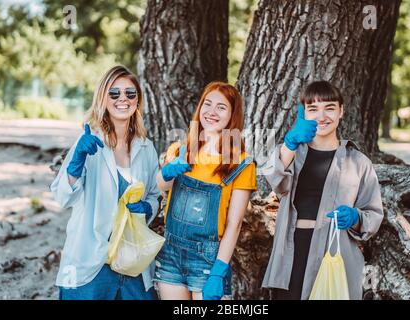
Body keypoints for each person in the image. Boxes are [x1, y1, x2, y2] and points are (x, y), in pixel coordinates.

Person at [262, 80, 383, 300]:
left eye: (329, 108)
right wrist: (289, 144)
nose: (321, 116)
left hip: (335, 254)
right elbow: (275, 182)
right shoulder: (293, 153)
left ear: (341, 111)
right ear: (304, 114)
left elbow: (373, 216)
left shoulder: (358, 161)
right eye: (313, 109)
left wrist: (356, 217)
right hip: (291, 252)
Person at [51, 65, 161, 300]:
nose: (123, 99)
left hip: (132, 261)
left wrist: (149, 207)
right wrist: (76, 162)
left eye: (130, 93)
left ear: (137, 100)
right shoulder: (89, 141)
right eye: (114, 93)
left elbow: (154, 195)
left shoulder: (146, 147)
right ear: (103, 98)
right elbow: (63, 197)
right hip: (91, 261)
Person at [154, 81, 257, 300]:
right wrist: (167, 173)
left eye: (221, 107)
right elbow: (161, 188)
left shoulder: (241, 164)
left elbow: (234, 224)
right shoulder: (180, 150)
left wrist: (219, 271)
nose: (211, 112)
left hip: (208, 260)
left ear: (232, 115)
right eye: (207, 104)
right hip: (171, 253)